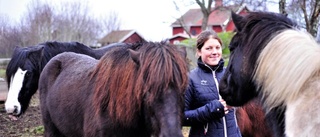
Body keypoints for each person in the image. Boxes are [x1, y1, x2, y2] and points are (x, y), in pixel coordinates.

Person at [183, 30, 241, 137]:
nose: (214, 52)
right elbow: (182, 117)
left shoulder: (229, 74)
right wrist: (212, 109)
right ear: (199, 51)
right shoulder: (190, 79)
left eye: (217, 48)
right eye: (209, 48)